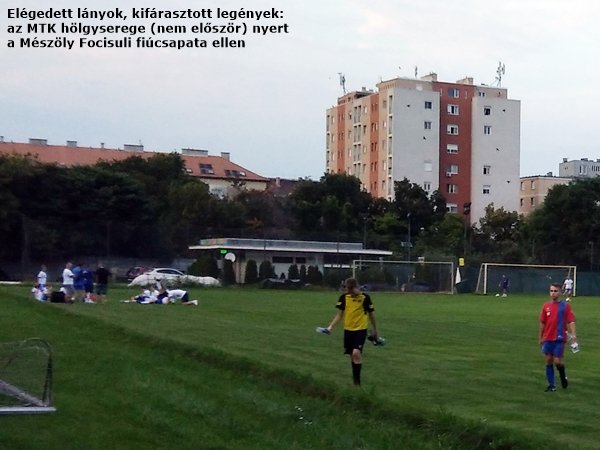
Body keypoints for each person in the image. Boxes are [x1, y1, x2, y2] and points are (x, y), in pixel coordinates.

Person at [319, 277, 379, 386]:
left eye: (350, 289)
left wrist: (375, 330)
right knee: (353, 356)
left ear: (356, 287)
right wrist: (330, 328)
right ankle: (355, 384)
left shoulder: (365, 298)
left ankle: (357, 384)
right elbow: (339, 315)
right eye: (347, 289)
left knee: (356, 353)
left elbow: (371, 315)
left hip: (361, 329)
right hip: (348, 330)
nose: (348, 291)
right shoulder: (344, 298)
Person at [539, 283, 577, 392]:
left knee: (557, 361)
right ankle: (551, 385)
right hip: (548, 337)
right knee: (548, 360)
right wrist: (540, 337)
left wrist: (573, 335)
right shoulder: (546, 306)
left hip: (559, 338)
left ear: (560, 292)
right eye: (551, 291)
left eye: (555, 291)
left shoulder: (565, 306)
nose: (553, 293)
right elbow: (542, 323)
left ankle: (563, 376)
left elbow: (571, 321)